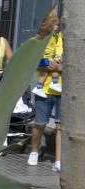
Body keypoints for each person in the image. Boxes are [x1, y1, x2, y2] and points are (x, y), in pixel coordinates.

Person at [28, 13, 64, 172]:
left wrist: (57, 67)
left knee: (60, 125)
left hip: (63, 89)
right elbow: (34, 61)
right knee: (40, 123)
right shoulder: (40, 39)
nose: (57, 27)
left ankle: (58, 160)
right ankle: (34, 150)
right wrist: (46, 64)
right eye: (55, 24)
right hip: (44, 90)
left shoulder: (63, 39)